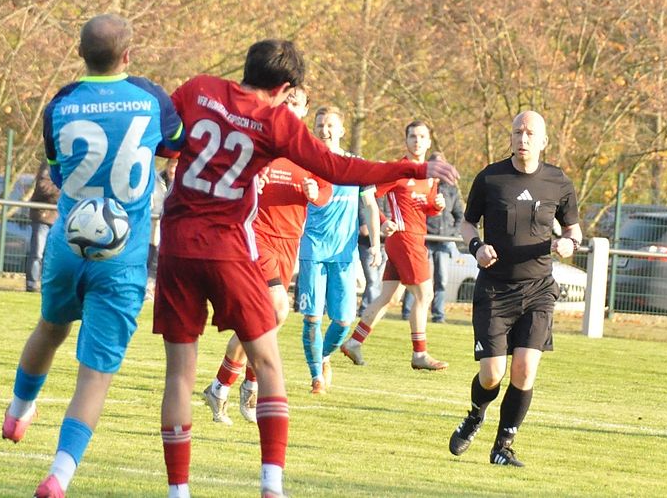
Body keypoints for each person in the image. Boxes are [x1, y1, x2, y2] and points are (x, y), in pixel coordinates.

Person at [154, 39, 459, 498]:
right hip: (230, 247)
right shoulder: (274, 119)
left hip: (177, 246)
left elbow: (164, 143)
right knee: (270, 361)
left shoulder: (199, 89)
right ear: (284, 86)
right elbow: (338, 167)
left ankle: (179, 491)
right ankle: (271, 485)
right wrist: (409, 167)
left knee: (179, 372)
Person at [0, 13, 184, 498]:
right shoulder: (151, 98)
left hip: (67, 242)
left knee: (51, 327)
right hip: (121, 257)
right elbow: (176, 145)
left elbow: (57, 171)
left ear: (80, 54)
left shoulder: (60, 103)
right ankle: (58, 476)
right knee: (94, 375)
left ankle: (18, 411)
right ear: (128, 55)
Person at [448, 110, 581, 467]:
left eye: (530, 133)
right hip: (495, 290)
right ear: (511, 136)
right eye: (518, 132)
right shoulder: (491, 178)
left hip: (538, 289)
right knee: (492, 374)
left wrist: (570, 244)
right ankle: (476, 413)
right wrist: (477, 247)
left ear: (543, 141)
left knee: (524, 368)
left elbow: (574, 230)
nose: (522, 139)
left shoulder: (557, 181)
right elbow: (466, 224)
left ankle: (503, 447)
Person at [201, 85, 330, 425]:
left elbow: (326, 188)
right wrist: (248, 182)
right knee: (276, 308)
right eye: (286, 100)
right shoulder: (259, 138)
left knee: (265, 322)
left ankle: (222, 386)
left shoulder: (308, 148)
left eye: (297, 102)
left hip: (290, 243)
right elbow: (230, 172)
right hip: (256, 236)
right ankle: (245, 388)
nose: (290, 106)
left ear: (304, 110)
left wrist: (316, 192)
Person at [340, 120, 449, 371]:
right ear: (406, 141)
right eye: (413, 136)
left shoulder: (431, 175)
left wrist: (437, 206)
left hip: (414, 237)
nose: (417, 141)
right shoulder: (398, 169)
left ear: (429, 141)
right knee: (425, 295)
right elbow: (367, 194)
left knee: (387, 296)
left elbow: (426, 208)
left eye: (422, 137)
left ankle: (355, 342)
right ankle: (419, 354)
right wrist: (382, 220)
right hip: (404, 239)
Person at [296, 106, 370, 395]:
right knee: (312, 318)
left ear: (341, 130)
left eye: (330, 126)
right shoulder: (304, 163)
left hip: (344, 255)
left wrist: (375, 245)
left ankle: (324, 356)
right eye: (319, 125)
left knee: (343, 320)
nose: (324, 130)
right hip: (312, 248)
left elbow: (370, 206)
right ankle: (316, 376)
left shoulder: (355, 165)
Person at [401, 151, 465, 323]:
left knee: (441, 279)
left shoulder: (451, 190)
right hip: (424, 239)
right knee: (416, 277)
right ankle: (407, 312)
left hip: (443, 241)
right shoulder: (422, 184)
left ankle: (438, 314)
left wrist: (452, 233)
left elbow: (460, 215)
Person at [146, 157, 178, 300]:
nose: (172, 170)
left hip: (175, 224)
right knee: (153, 253)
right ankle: (149, 286)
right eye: (170, 165)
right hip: (156, 221)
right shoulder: (158, 180)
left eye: (175, 166)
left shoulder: (184, 182)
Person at [26, 161, 60, 292]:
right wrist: (63, 192)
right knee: (37, 253)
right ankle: (32, 284)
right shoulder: (50, 164)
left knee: (55, 255)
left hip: (59, 218)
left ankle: (50, 285)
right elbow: (43, 186)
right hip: (43, 216)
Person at [356, 188, 384, 317]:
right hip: (366, 244)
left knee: (376, 281)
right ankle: (369, 311)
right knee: (373, 280)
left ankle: (367, 309)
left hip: (384, 242)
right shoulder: (366, 189)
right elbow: (364, 208)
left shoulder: (388, 189)